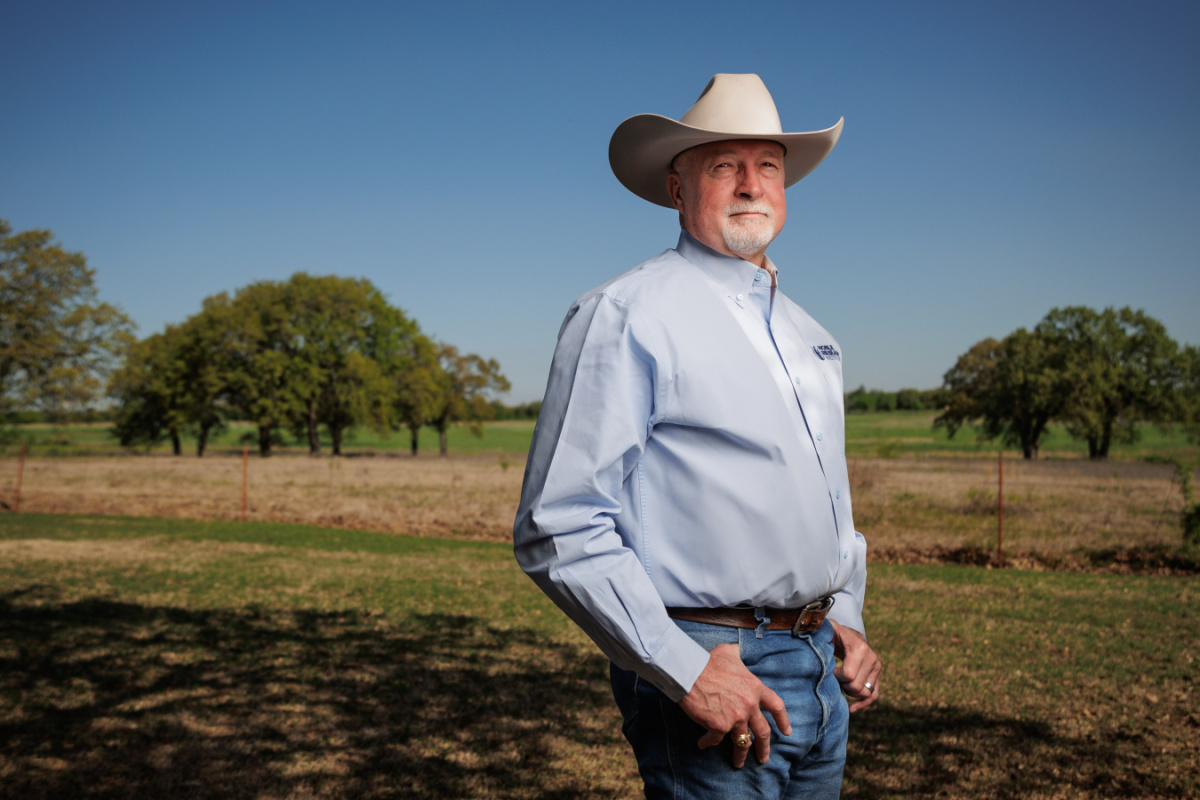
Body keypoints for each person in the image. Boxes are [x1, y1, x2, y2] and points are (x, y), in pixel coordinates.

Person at [513, 73, 882, 799]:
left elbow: (829, 504)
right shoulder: (627, 313)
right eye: (724, 166)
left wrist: (845, 617)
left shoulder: (813, 338)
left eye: (768, 165)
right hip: (714, 662)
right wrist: (685, 669)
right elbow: (558, 523)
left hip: (819, 666)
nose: (751, 184)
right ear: (677, 189)